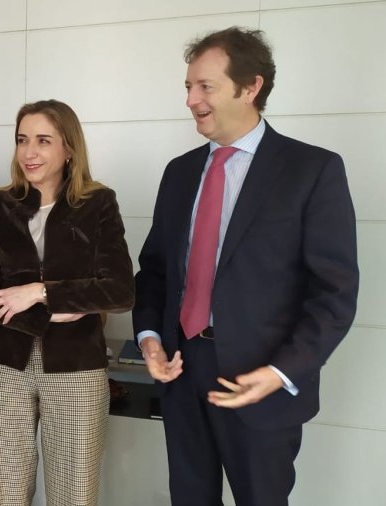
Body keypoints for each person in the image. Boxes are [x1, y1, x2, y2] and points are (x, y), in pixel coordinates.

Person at [133, 27, 359, 506]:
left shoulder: (312, 170)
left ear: (250, 86)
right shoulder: (179, 172)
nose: (192, 100)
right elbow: (153, 272)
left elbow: (334, 294)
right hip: (181, 372)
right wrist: (149, 338)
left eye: (205, 87)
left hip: (262, 382)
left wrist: (282, 372)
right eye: (188, 87)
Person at [0, 99, 135, 506]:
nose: (30, 152)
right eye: (22, 140)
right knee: (3, 494)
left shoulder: (97, 203)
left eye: (43, 140)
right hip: (3, 365)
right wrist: (66, 304)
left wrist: (39, 292)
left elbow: (119, 290)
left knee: (73, 494)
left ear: (69, 148)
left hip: (76, 368)